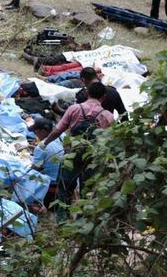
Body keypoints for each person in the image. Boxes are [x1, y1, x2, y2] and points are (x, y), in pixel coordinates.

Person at [41, 82, 115, 220]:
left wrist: (45, 143)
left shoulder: (74, 109)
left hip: (71, 154)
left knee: (64, 188)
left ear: (88, 94)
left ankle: (62, 222)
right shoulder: (108, 116)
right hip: (92, 157)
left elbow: (58, 130)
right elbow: (111, 141)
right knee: (87, 191)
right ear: (103, 97)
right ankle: (82, 223)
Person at [29, 117, 64, 206]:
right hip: (62, 178)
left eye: (36, 132)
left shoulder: (41, 147)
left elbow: (33, 170)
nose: (35, 135)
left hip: (51, 183)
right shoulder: (60, 137)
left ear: (43, 131)